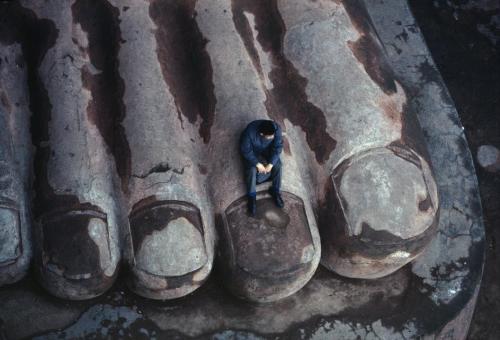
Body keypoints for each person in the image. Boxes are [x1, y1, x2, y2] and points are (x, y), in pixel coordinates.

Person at [239, 119, 284, 216]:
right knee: (251, 170)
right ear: (261, 134)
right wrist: (257, 164)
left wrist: (271, 164)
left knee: (278, 165)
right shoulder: (249, 132)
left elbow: (278, 147)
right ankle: (252, 197)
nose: (273, 137)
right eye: (270, 136)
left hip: (267, 150)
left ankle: (275, 191)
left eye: (273, 135)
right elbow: (245, 150)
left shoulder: (276, 129)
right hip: (252, 150)